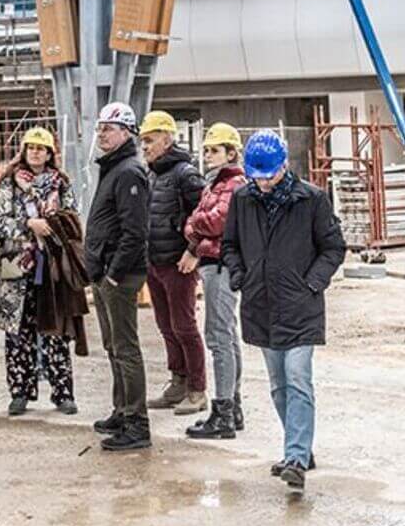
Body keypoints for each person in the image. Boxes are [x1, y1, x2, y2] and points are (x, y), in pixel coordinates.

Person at [221, 130, 346, 493]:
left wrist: (312, 283)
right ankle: (301, 448)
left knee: (297, 378)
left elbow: (333, 247)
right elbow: (230, 245)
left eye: (268, 175)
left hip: (300, 305)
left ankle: (294, 457)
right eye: (255, 176)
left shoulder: (311, 200)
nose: (261, 183)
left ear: (284, 166)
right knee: (278, 385)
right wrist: (241, 276)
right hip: (261, 303)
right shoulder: (243, 200)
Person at [0, 126, 81, 417]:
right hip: (18, 265)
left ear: (50, 153)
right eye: (31, 147)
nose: (35, 152)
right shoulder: (10, 183)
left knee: (55, 327)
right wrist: (29, 225)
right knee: (18, 330)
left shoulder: (61, 184)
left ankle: (62, 392)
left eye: (41, 148)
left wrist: (51, 227)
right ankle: (20, 391)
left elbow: (72, 219)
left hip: (52, 264)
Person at [85, 101, 151, 452]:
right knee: (113, 346)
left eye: (107, 129)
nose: (101, 134)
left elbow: (134, 232)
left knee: (126, 348)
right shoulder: (112, 168)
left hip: (118, 275)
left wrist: (112, 275)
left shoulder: (128, 171)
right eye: (99, 128)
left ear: (126, 132)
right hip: (105, 271)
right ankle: (122, 410)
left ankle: (137, 423)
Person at [140, 110, 207, 416]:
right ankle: (177, 381)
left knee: (185, 326)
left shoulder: (185, 174)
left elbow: (203, 217)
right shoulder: (153, 173)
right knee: (166, 326)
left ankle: (197, 389)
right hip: (155, 261)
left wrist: (193, 250)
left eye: (150, 140)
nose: (145, 146)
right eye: (143, 141)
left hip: (178, 263)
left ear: (167, 139)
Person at [183, 122, 247, 441]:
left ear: (231, 152)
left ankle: (223, 412)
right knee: (226, 334)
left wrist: (195, 225)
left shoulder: (232, 184)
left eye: (215, 150)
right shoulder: (215, 184)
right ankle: (231, 407)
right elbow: (198, 220)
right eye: (207, 150)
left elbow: (212, 221)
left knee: (219, 335)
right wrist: (196, 224)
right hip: (213, 263)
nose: (208, 155)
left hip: (220, 264)